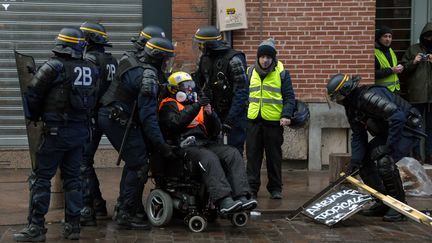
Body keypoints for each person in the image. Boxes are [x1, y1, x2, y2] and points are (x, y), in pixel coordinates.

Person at [13, 27, 99, 241]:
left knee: (41, 179)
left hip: (55, 133)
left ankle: (36, 228)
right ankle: (73, 227)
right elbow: (94, 97)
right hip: (80, 133)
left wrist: (37, 116)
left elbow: (32, 94)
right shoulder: (91, 68)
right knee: (73, 180)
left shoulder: (53, 66)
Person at [98, 36, 175, 229]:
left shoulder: (134, 60)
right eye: (166, 60)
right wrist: (161, 145)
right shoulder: (147, 76)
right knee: (139, 163)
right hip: (116, 118)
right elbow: (148, 118)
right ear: (158, 57)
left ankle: (127, 207)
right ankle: (126, 213)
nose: (167, 64)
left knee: (135, 161)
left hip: (112, 114)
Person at [326, 73, 423, 222]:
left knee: (385, 159)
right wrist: (355, 161)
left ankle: (399, 206)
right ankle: (383, 201)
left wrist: (388, 147)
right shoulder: (352, 107)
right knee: (364, 162)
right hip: (390, 131)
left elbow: (397, 118)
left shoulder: (369, 96)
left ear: (346, 91)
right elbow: (358, 135)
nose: (338, 101)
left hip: (407, 130)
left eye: (338, 97)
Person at [158, 71, 257, 213]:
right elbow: (175, 123)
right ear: (174, 89)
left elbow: (215, 130)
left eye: (191, 85)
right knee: (208, 158)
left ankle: (241, 196)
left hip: (203, 142)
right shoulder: (168, 105)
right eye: (185, 87)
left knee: (232, 153)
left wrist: (211, 115)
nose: (189, 89)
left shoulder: (197, 103)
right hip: (183, 145)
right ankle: (223, 200)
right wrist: (197, 106)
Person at [78, 21, 118, 226]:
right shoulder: (112, 60)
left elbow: (88, 90)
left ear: (89, 40)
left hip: (93, 116)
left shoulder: (89, 60)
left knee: (82, 162)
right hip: (110, 115)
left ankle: (92, 207)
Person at [245, 38, 296, 200]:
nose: (265, 60)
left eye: (268, 57)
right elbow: (244, 95)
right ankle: (252, 189)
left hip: (274, 123)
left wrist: (286, 115)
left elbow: (289, 97)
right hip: (253, 122)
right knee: (252, 157)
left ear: (273, 58)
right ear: (258, 57)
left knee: (274, 158)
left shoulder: (281, 73)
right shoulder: (250, 72)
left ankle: (275, 188)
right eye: (262, 57)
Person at [192, 26, 248, 154]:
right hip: (213, 114)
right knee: (213, 153)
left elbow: (242, 93)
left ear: (210, 44)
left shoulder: (234, 60)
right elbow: (198, 82)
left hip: (232, 116)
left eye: (201, 44)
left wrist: (230, 120)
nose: (200, 47)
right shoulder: (204, 59)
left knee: (233, 154)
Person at [400, 22, 432, 164]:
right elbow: (403, 70)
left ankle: (430, 155)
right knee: (415, 126)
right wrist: (414, 62)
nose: (429, 39)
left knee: (431, 128)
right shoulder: (413, 50)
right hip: (416, 95)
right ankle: (416, 155)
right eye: (427, 36)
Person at [374, 25, 403, 93]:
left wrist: (400, 68)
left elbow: (393, 67)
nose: (388, 39)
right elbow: (373, 74)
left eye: (390, 36)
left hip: (396, 90)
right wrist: (391, 70)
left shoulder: (390, 50)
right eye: (385, 36)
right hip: (382, 91)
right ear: (379, 38)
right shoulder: (374, 53)